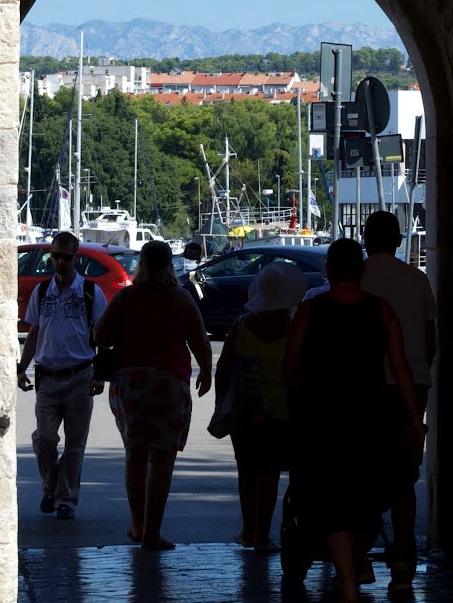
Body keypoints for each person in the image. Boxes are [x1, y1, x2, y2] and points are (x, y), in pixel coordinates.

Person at [284, 236, 423, 603]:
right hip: (371, 417)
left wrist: (295, 404)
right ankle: (364, 569)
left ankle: (347, 581)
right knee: (367, 498)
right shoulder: (381, 310)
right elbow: (401, 368)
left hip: (323, 418)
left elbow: (290, 365)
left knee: (331, 501)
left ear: (329, 270)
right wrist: (413, 417)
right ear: (361, 272)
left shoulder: (311, 311)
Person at [96, 238, 213, 550]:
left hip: (130, 381)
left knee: (135, 456)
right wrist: (206, 370)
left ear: (143, 265)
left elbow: (100, 334)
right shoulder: (181, 298)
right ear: (170, 264)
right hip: (169, 383)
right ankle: (152, 532)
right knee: (162, 459)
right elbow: (199, 340)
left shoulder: (126, 297)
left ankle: (137, 525)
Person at [361, 210, 437, 592]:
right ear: (399, 240)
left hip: (366, 387)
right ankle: (404, 560)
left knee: (361, 470)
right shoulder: (417, 279)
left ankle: (357, 556)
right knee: (405, 474)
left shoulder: (357, 278)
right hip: (413, 384)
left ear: (365, 238)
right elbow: (430, 335)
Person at [17, 231, 106, 520]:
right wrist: (22, 367)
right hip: (48, 377)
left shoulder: (90, 292)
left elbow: (103, 337)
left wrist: (100, 374)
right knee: (44, 438)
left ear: (75, 258)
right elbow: (34, 331)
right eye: (55, 256)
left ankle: (65, 499)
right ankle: (51, 486)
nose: (60, 262)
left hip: (80, 376)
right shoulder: (42, 291)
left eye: (66, 257)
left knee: (75, 445)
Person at [217, 262, 298, 553]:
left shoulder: (242, 326)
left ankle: (249, 531)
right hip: (281, 413)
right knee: (269, 474)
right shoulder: (293, 330)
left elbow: (223, 367)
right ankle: (262, 536)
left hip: (244, 411)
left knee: (247, 472)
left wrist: (221, 403)